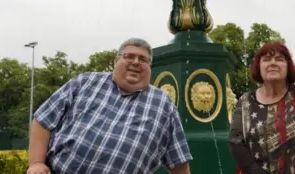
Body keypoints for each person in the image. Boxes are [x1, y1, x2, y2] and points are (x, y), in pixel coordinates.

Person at [27, 38, 193, 174]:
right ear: (116, 61)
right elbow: (43, 120)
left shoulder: (164, 105)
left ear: (150, 67)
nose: (136, 62)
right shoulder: (85, 82)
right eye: (129, 56)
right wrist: (36, 163)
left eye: (143, 59)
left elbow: (179, 162)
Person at [229, 42, 295, 174]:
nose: (273, 63)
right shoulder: (246, 100)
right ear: (259, 67)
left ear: (288, 66)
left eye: (279, 59)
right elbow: (235, 142)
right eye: (266, 59)